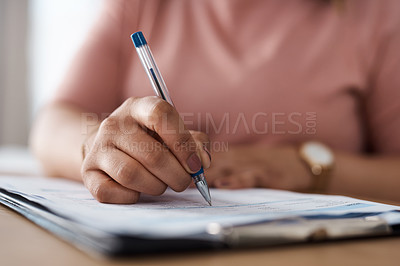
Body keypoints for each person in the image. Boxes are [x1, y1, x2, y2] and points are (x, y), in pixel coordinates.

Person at [30, 0, 400, 204]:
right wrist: (94, 144)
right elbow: (51, 126)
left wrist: (308, 168)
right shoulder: (140, 5)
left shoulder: (375, 13)